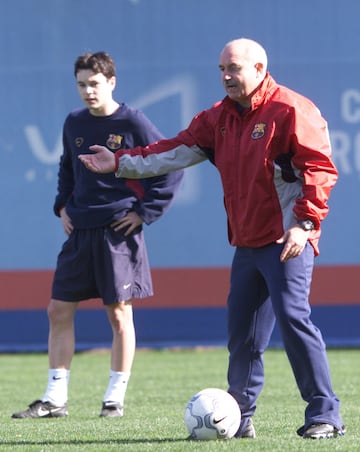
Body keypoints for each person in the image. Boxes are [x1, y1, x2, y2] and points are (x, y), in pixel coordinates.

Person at [78, 38, 345, 440]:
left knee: (294, 320)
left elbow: (319, 169)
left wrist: (305, 223)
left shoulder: (291, 109)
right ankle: (238, 417)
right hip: (246, 244)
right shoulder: (218, 118)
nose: (226, 76)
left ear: (259, 69)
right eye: (221, 69)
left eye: (234, 68)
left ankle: (325, 415)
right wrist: (118, 162)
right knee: (243, 334)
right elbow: (173, 150)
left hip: (287, 240)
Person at [12, 51, 183, 419]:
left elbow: (170, 167)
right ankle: (55, 399)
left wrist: (145, 212)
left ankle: (113, 399)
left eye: (94, 83)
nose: (88, 91)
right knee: (57, 310)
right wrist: (62, 206)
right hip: (80, 231)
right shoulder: (74, 123)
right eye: (81, 84)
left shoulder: (133, 120)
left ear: (111, 82)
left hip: (117, 232)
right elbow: (67, 168)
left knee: (119, 314)